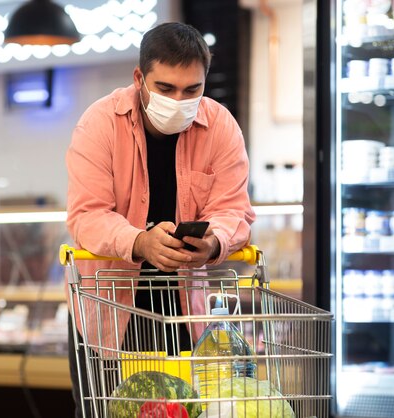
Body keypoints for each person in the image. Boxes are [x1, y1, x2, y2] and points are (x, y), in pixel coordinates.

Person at [64, 22, 255, 417]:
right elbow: (87, 215)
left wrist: (214, 242)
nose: (179, 100)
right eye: (165, 88)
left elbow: (233, 209)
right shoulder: (99, 124)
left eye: (192, 90)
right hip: (108, 312)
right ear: (139, 78)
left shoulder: (220, 126)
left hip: (185, 312)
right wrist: (140, 241)